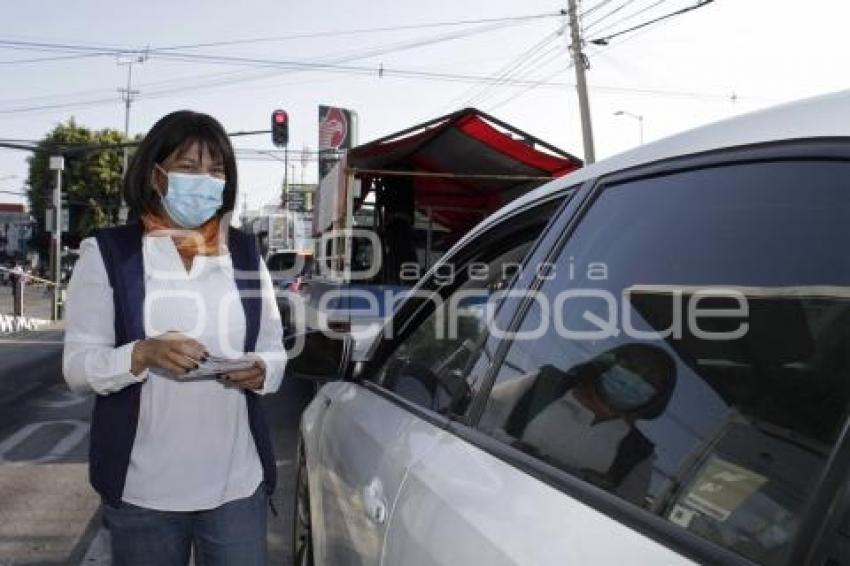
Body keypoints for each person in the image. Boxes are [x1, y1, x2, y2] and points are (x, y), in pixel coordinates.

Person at [63, 110, 286, 566]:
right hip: (145, 490)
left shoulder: (243, 251)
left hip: (236, 485)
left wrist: (260, 370)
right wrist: (142, 353)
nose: (204, 180)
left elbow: (274, 349)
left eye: (216, 169)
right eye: (188, 167)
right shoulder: (108, 253)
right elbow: (78, 368)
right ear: (155, 174)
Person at [505, 344, 676, 506]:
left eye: (649, 379)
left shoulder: (638, 454)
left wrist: (599, 493)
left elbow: (623, 516)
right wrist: (513, 447)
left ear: (656, 397)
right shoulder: (544, 384)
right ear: (608, 364)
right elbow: (482, 416)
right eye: (632, 368)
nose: (635, 379)